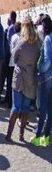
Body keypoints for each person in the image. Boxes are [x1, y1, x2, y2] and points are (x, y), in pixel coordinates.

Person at [6, 17, 40, 141]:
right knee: (25, 108)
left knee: (16, 106)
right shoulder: (37, 44)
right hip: (31, 78)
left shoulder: (21, 43)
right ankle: (21, 135)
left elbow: (14, 57)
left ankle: (9, 134)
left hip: (19, 76)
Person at [33, 15, 52, 146]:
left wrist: (40, 69)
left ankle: (38, 136)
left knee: (43, 109)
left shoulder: (47, 39)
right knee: (50, 111)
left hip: (47, 78)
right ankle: (46, 137)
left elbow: (47, 60)